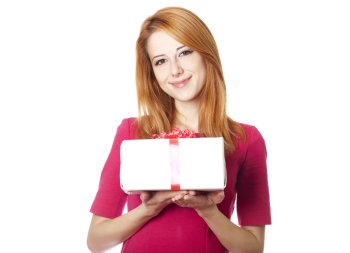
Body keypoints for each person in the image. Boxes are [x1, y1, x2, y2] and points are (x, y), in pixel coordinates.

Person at [87, 6, 271, 253]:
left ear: (206, 53)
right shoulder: (133, 132)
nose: (175, 70)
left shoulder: (246, 140)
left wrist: (208, 211)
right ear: (152, 73)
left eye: (184, 52)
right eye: (161, 61)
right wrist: (150, 208)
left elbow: (253, 248)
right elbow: (96, 241)